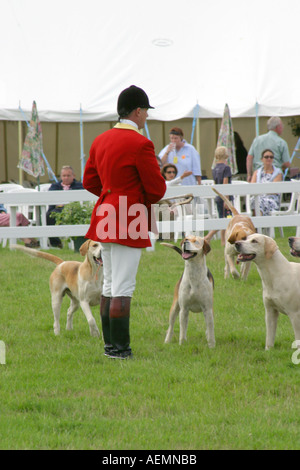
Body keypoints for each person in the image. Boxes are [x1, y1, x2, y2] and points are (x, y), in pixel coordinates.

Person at [83, 85, 166, 359]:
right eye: (145, 113)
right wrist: (131, 198)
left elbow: (89, 181)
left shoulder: (100, 139)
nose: (146, 119)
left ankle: (109, 346)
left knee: (109, 285)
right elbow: (157, 189)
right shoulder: (141, 143)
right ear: (138, 111)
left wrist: (111, 196)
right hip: (128, 218)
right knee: (123, 286)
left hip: (105, 214)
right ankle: (120, 350)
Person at [46, 165, 84, 248]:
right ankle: (55, 243)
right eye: (64, 176)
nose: (66, 178)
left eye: (68, 175)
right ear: (61, 176)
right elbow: (50, 198)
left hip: (73, 210)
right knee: (48, 215)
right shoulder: (55, 186)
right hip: (57, 210)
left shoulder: (79, 186)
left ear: (73, 176)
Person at [246, 117, 290, 182]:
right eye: (282, 126)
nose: (283, 128)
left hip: (258, 175)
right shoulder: (281, 142)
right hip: (275, 174)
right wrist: (281, 166)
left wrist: (249, 175)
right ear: (277, 127)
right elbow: (287, 164)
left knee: (255, 191)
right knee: (274, 191)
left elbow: (249, 158)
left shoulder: (257, 140)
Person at [205, 146, 233, 245]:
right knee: (227, 219)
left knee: (222, 218)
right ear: (226, 155)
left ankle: (222, 241)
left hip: (218, 197)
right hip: (225, 196)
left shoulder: (214, 168)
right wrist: (226, 199)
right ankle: (210, 236)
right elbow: (225, 183)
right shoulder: (226, 168)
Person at [250, 149, 283, 216]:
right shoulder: (256, 172)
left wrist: (260, 190)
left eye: (271, 157)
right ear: (262, 159)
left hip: (271, 199)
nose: (269, 158)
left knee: (259, 201)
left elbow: (274, 190)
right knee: (254, 200)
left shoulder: (278, 173)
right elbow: (252, 187)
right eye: (266, 157)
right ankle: (259, 224)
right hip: (257, 197)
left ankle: (258, 224)